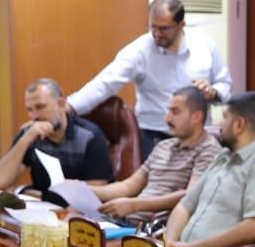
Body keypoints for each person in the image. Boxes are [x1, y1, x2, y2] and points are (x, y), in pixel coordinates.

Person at [69, 0, 233, 160]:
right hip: (154, 137)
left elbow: (225, 84)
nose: (156, 34)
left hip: (199, 138)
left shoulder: (204, 45)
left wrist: (214, 92)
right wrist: (71, 107)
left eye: (164, 29)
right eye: (152, 27)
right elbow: (105, 83)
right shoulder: (139, 50)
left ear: (181, 25)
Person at [163, 91, 255, 247]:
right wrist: (170, 246)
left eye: (224, 117)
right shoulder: (224, 156)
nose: (219, 124)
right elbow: (185, 205)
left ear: (239, 125)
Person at [91, 86, 222, 221]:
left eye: (175, 112)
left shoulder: (208, 149)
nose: (167, 118)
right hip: (128, 222)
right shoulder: (163, 146)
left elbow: (191, 196)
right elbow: (127, 187)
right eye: (168, 111)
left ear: (196, 117)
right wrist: (85, 189)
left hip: (159, 228)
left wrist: (134, 205)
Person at [0, 79, 114, 192]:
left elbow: (96, 193)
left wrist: (46, 199)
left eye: (40, 107)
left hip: (78, 208)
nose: (34, 116)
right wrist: (25, 140)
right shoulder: (30, 133)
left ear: (61, 104)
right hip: (43, 207)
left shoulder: (90, 136)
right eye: (29, 110)